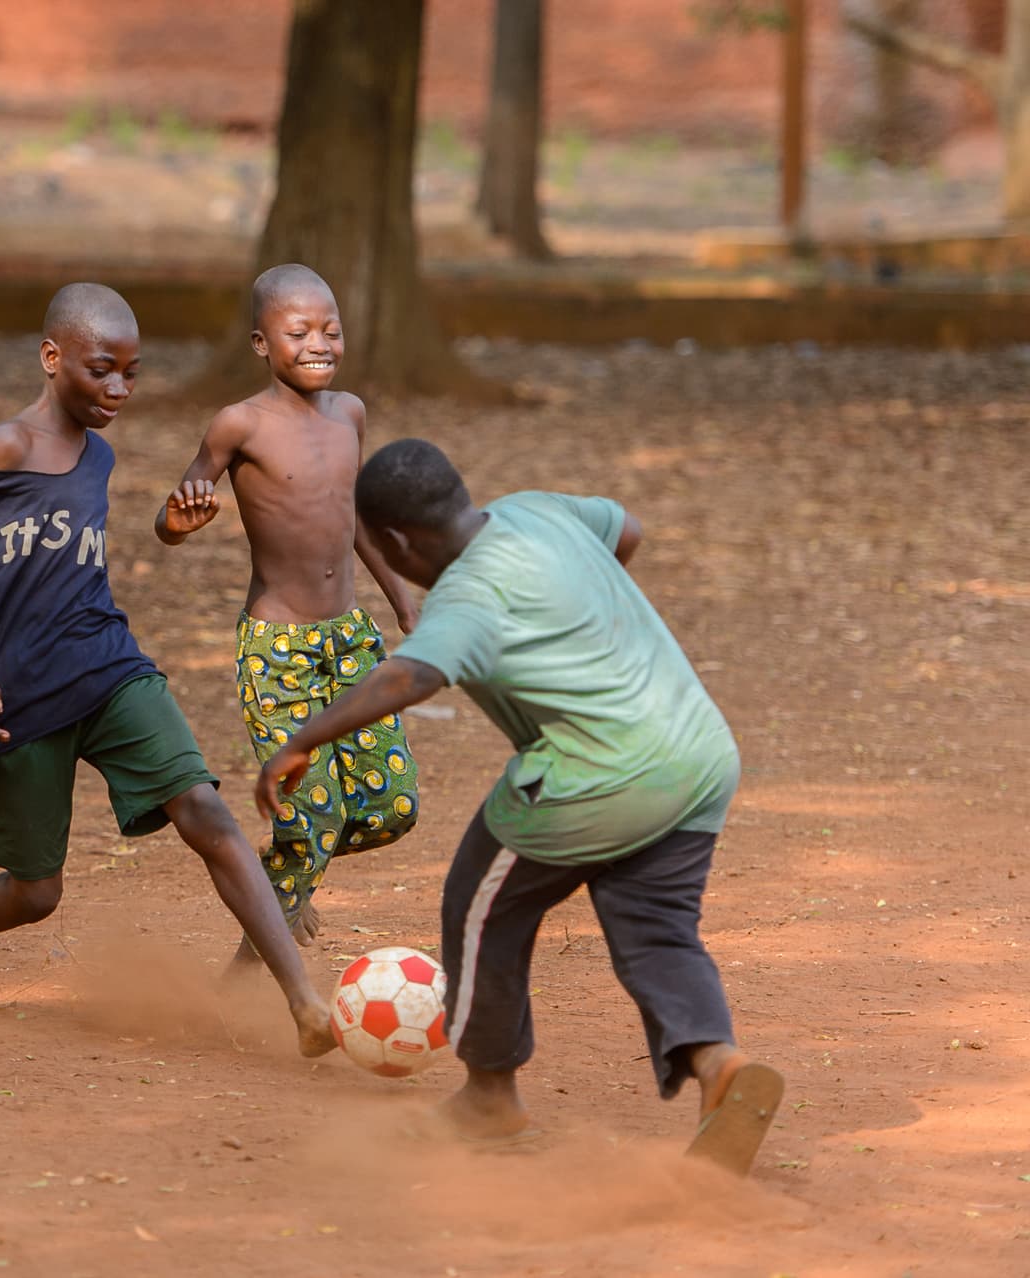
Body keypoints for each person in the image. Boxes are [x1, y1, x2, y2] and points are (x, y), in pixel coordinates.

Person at [254, 438, 782, 1176]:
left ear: (399, 543)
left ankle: (489, 1102)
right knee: (658, 931)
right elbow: (625, 528)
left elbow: (409, 678)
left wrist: (300, 740)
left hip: (599, 776)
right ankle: (719, 1065)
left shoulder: (469, 597)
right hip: (697, 756)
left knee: (480, 903)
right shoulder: (539, 513)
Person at [0, 282, 335, 1057]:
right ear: (52, 358)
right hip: (11, 695)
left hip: (107, 665)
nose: (119, 389)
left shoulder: (101, 454)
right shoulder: (4, 448)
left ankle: (305, 1002)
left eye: (132, 372)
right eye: (102, 370)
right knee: (36, 892)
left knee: (208, 811)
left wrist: (177, 527)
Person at [154, 263, 422, 954]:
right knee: (317, 809)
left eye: (331, 330)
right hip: (280, 651)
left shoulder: (351, 414)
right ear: (260, 343)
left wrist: (401, 597)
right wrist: (179, 522)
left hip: (352, 640)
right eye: (298, 331)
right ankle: (266, 940)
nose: (318, 344)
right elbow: (177, 507)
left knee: (392, 809)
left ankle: (292, 875)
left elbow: (351, 513)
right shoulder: (238, 424)